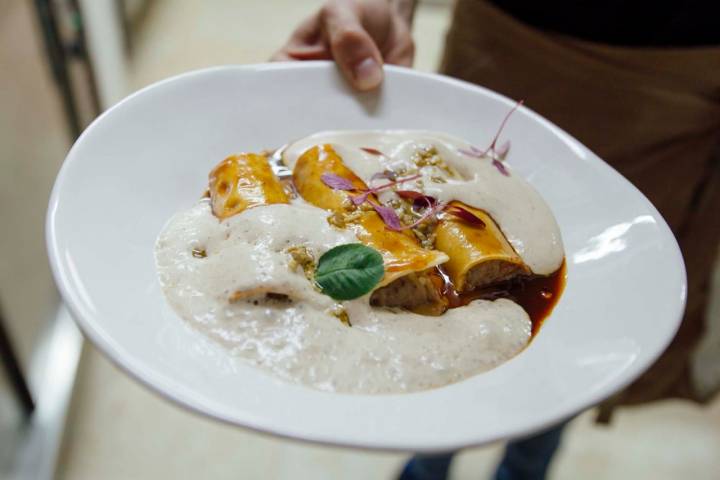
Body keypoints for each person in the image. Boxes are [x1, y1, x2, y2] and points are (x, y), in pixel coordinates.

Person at [274, 1, 720, 478]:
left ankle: (524, 466)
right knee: (426, 182)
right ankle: (429, 460)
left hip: (673, 98)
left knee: (575, 336)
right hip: (496, 48)